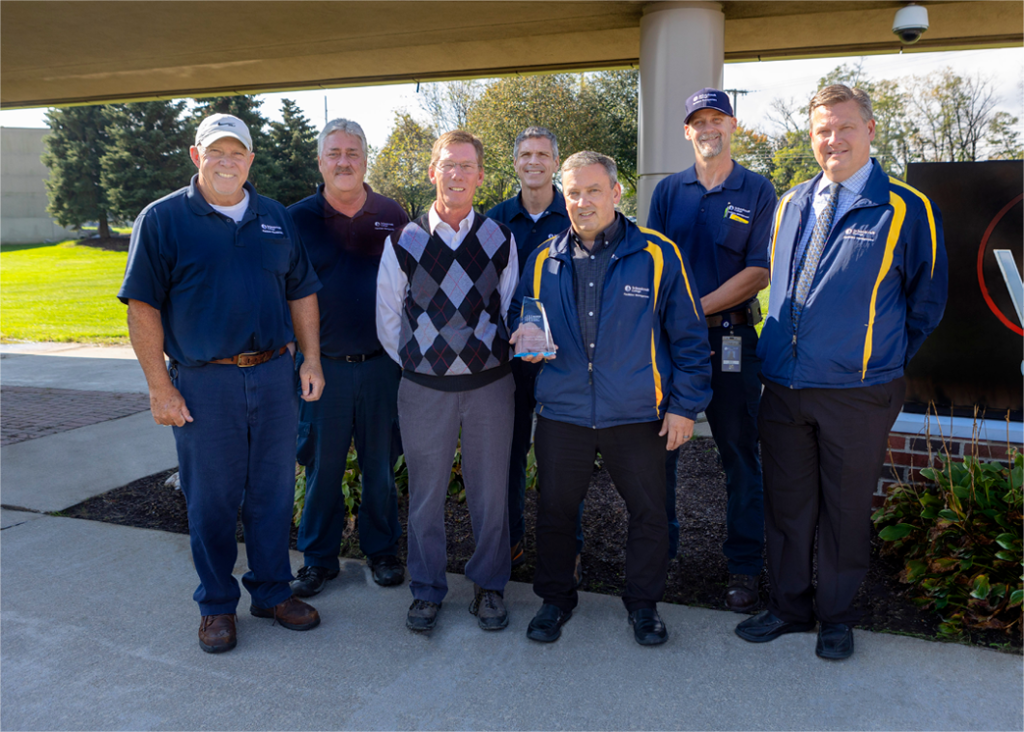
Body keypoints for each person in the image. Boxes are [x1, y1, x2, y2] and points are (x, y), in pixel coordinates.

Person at [734, 85, 948, 660]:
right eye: (823, 130)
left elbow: (926, 303)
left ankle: (836, 615)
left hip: (859, 391)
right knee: (786, 506)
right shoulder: (789, 203)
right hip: (783, 385)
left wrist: (879, 361)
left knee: (847, 509)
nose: (834, 139)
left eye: (845, 127)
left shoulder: (905, 208)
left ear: (870, 130)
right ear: (811, 137)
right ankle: (787, 606)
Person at [118, 113, 326, 654]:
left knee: (274, 493)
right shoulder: (163, 219)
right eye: (216, 152)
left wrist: (310, 360)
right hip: (205, 384)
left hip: (274, 375)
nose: (227, 161)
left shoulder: (276, 218)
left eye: (237, 152)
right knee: (211, 500)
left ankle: (272, 592)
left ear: (250, 160)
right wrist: (160, 388)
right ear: (197, 156)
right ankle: (215, 605)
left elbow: (301, 292)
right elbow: (142, 307)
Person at [511, 151, 712, 646]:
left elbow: (689, 338)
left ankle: (644, 605)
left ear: (617, 193)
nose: (582, 202)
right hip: (564, 413)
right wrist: (526, 339)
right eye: (573, 192)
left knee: (649, 513)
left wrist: (685, 405)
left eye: (593, 190)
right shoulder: (543, 259)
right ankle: (555, 601)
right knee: (556, 512)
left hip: (639, 414)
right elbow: (525, 318)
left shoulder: (658, 254)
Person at [376, 130, 519, 633]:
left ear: (480, 176)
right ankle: (427, 589)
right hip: (424, 388)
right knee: (425, 494)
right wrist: (427, 365)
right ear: (432, 171)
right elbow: (389, 320)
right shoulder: (404, 240)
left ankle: (489, 586)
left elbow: (508, 307)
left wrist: (472, 362)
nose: (456, 174)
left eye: (466, 166)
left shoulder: (500, 238)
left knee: (490, 492)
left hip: (489, 387)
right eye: (447, 165)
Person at [647, 88, 777, 612]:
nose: (708, 128)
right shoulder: (668, 193)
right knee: (661, 453)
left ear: (733, 126)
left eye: (717, 119)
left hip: (730, 342)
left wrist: (690, 311)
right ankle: (661, 553)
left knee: (740, 456)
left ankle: (745, 567)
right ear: (687, 131)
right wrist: (675, 323)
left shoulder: (758, 190)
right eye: (698, 121)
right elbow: (651, 264)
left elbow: (759, 271)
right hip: (673, 348)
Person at [287, 119, 409, 597]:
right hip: (323, 367)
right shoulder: (296, 219)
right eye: (334, 153)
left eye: (352, 153)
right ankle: (318, 560)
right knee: (321, 468)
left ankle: (382, 552)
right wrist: (303, 357)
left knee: (380, 466)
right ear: (320, 161)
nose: (343, 161)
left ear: (365, 159)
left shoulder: (391, 214)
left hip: (382, 365)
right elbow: (286, 292)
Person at [484, 127, 576, 576]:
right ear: (515, 162)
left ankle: (565, 550)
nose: (533, 161)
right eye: (525, 154)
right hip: (507, 361)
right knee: (509, 454)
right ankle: (512, 543)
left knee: (564, 459)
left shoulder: (576, 213)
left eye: (543, 154)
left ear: (556, 162)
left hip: (568, 359)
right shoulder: (494, 220)